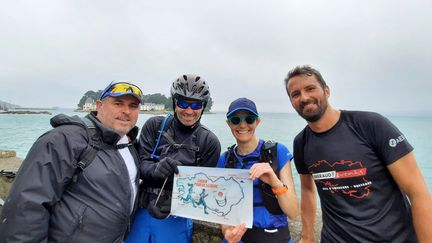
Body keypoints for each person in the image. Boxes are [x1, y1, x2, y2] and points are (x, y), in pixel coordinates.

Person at [284, 65, 432, 243]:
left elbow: (418, 192)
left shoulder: (370, 125)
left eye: (310, 88)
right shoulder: (301, 143)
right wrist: (307, 237)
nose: (304, 97)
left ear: (326, 90)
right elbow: (307, 189)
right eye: (296, 94)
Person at [0, 81, 144, 242]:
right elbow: (25, 207)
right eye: (118, 103)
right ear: (99, 105)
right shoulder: (63, 140)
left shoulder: (129, 143)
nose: (126, 111)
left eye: (133, 106)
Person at [125, 74, 221, 243]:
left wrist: (175, 205)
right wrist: (156, 169)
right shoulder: (154, 126)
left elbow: (204, 189)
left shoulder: (209, 142)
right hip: (142, 209)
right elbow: (139, 164)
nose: (189, 111)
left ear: (203, 106)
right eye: (183, 103)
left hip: (177, 218)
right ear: (175, 102)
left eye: (196, 105)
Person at [217, 98, 299, 243]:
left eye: (249, 119)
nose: (243, 125)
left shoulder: (277, 152)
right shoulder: (225, 160)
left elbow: (293, 212)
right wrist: (227, 232)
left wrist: (275, 182)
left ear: (257, 122)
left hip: (274, 237)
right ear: (228, 123)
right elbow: (223, 211)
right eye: (236, 120)